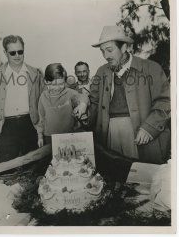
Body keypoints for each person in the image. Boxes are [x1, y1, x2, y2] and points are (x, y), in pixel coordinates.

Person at [90, 25, 170, 190]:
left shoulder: (151, 69)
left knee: (143, 184)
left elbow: (165, 101)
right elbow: (94, 102)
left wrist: (149, 128)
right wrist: (84, 111)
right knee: (116, 181)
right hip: (110, 133)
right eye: (103, 51)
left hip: (139, 133)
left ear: (124, 47)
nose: (106, 56)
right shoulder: (101, 72)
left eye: (110, 50)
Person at [0, 35, 44, 163]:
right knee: (5, 171)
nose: (17, 55)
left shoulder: (35, 73)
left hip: (30, 124)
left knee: (34, 169)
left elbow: (43, 102)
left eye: (20, 51)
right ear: (5, 53)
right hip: (6, 126)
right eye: (12, 53)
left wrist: (40, 128)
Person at [37, 63, 89, 147]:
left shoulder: (70, 93)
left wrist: (82, 105)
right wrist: (40, 137)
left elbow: (84, 97)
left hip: (69, 136)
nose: (57, 88)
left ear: (65, 81)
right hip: (49, 137)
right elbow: (41, 119)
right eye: (53, 84)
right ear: (46, 81)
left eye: (61, 84)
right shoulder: (43, 97)